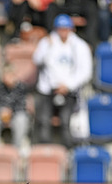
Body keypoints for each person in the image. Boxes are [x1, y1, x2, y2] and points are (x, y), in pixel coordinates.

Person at [32, 14, 92, 146]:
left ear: (71, 29)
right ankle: (44, 148)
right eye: (60, 28)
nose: (63, 32)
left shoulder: (80, 45)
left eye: (66, 28)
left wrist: (68, 85)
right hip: (48, 89)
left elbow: (85, 72)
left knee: (66, 121)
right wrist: (46, 47)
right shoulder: (47, 42)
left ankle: (68, 148)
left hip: (70, 90)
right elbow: (37, 60)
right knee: (43, 120)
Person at [0, 65, 31, 154]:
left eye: (9, 75)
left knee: (21, 119)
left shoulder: (21, 87)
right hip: (1, 114)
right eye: (5, 76)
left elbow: (22, 106)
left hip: (16, 115)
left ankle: (16, 149)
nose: (7, 78)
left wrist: (11, 111)